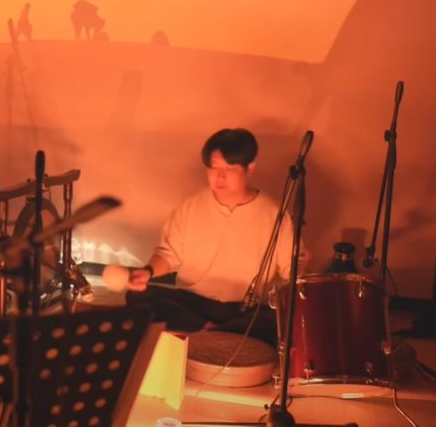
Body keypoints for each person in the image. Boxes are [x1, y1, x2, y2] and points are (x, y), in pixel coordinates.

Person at [126, 129, 308, 345]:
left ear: (249, 168)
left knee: (279, 319)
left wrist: (301, 271)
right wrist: (147, 272)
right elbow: (168, 255)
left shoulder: (274, 214)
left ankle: (209, 332)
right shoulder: (192, 205)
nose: (219, 177)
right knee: (137, 297)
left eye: (230, 169)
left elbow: (291, 270)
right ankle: (220, 333)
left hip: (243, 309)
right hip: (193, 304)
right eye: (214, 168)